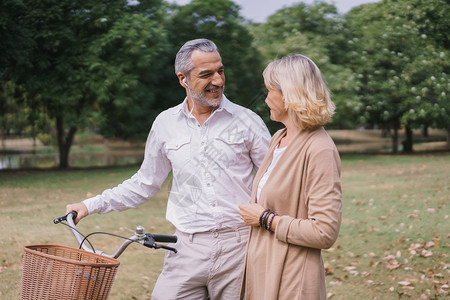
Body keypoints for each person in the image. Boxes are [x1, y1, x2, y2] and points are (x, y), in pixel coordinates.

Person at [66, 38, 271, 299]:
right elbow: (145, 183)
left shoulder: (247, 121)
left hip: (239, 247)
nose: (218, 81)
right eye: (206, 74)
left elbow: (274, 180)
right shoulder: (165, 124)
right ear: (183, 79)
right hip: (185, 248)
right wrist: (90, 205)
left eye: (220, 71)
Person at [239, 54, 342, 300]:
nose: (265, 99)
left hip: (292, 279)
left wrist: (266, 219)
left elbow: (324, 231)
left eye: (269, 91)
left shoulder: (319, 149)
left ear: (289, 94)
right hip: (262, 269)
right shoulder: (278, 139)